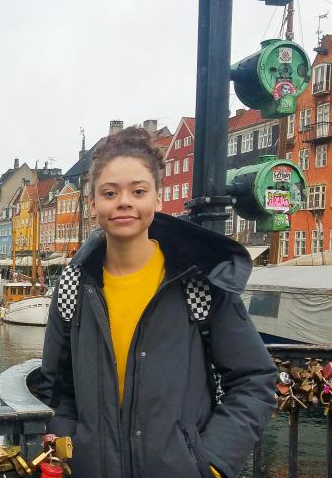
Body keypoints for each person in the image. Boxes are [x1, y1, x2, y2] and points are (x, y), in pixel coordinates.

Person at [39, 127, 276, 478]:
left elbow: (254, 378)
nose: (124, 201)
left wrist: (211, 462)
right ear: (92, 205)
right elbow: (56, 387)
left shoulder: (197, 279)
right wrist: (70, 446)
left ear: (158, 199)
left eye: (138, 191)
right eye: (109, 192)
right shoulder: (75, 285)